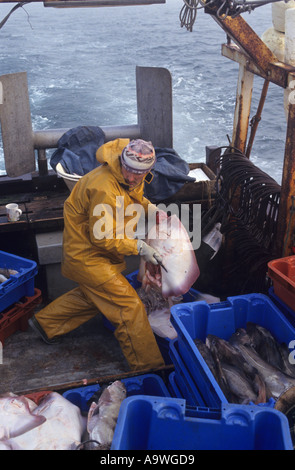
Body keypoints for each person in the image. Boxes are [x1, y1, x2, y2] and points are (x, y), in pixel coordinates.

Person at [29, 138, 165, 371]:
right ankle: (149, 367)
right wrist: (140, 248)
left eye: (139, 174)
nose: (132, 178)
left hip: (94, 253)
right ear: (121, 161)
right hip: (89, 256)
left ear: (148, 170)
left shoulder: (127, 177)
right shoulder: (104, 188)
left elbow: (132, 194)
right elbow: (103, 237)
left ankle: (46, 324)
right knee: (128, 307)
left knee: (98, 297)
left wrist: (150, 208)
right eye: (129, 171)